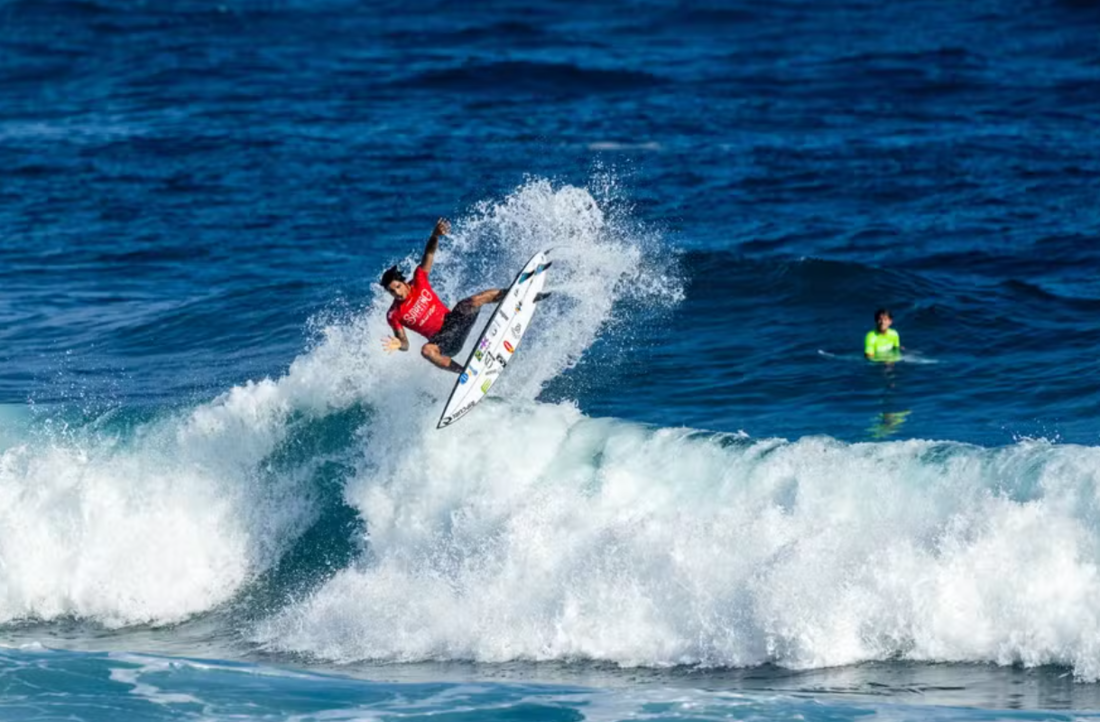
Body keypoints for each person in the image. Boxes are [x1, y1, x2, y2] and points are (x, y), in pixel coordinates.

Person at [380, 218, 504, 373]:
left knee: (471, 302)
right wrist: (399, 344)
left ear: (404, 283)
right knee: (426, 350)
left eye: (398, 287)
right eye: (391, 291)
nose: (397, 293)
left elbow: (429, 253)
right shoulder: (394, 314)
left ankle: (510, 293)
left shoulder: (419, 280)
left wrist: (435, 236)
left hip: (455, 322)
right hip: (443, 342)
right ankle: (466, 373)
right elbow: (405, 344)